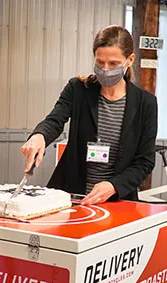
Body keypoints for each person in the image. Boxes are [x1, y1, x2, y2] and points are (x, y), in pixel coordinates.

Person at [20, 25, 158, 207]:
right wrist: (39, 136)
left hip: (116, 201)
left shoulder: (145, 103)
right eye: (100, 63)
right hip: (71, 195)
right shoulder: (78, 89)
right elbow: (54, 120)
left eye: (114, 64)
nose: (106, 69)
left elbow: (145, 161)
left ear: (130, 60)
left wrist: (113, 185)